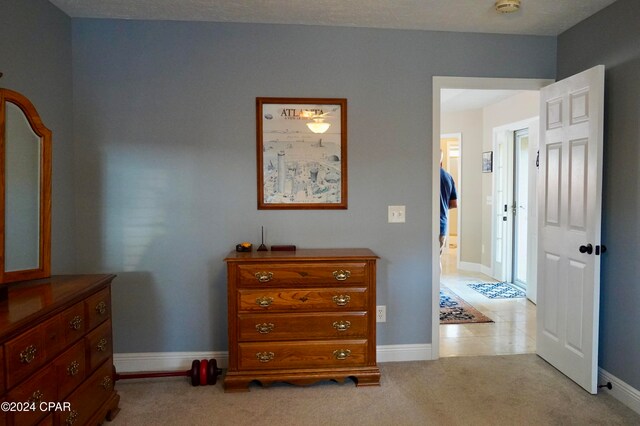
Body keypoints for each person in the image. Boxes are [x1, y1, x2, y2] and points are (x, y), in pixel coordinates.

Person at [440, 151, 458, 269]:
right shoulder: (448, 177)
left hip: (424, 225)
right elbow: (453, 204)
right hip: (442, 224)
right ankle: (436, 287)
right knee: (436, 259)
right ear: (441, 161)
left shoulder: (425, 174)